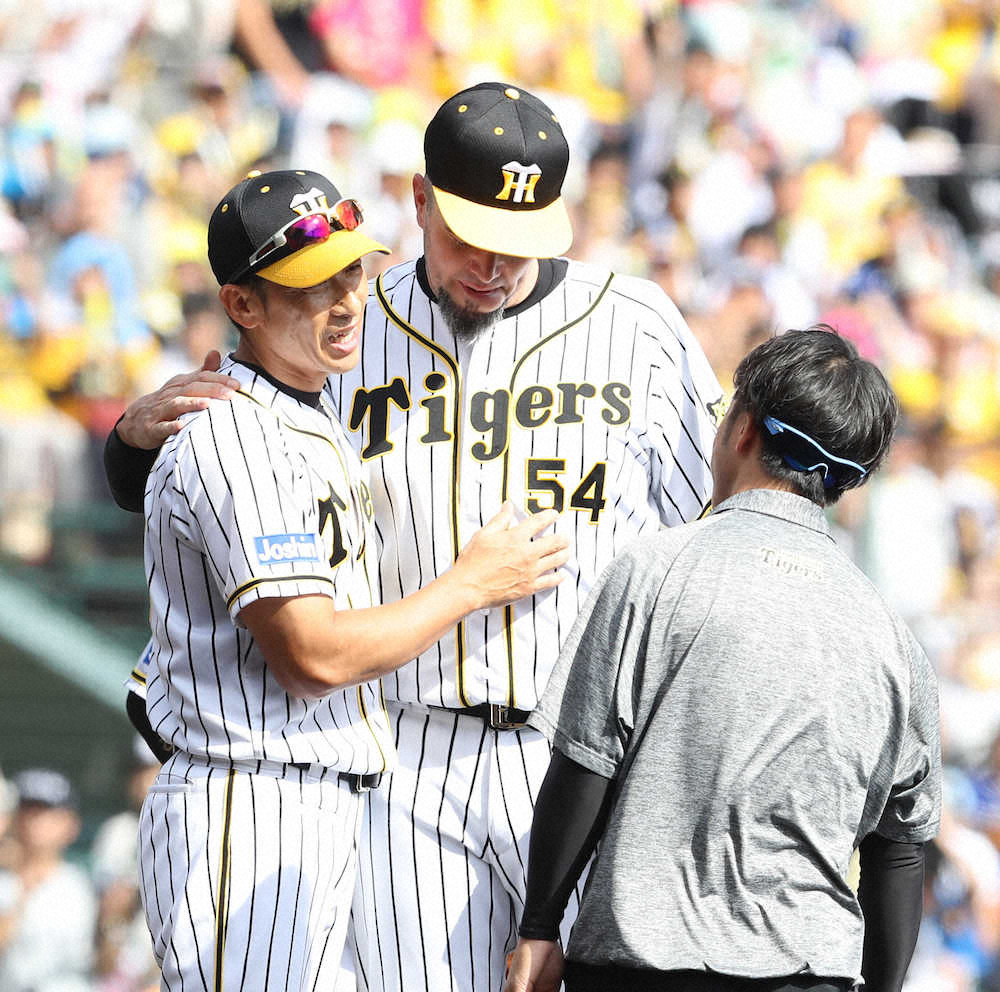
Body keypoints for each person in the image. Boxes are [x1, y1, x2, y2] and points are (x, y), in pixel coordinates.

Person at [103, 83, 724, 992]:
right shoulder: (342, 323)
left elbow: (706, 537)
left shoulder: (640, 329)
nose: (493, 265)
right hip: (407, 758)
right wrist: (130, 440)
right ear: (420, 199)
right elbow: (209, 481)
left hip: (585, 749)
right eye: (471, 234)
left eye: (519, 241)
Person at [133, 166, 568, 992]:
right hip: (251, 805)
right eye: (308, 285)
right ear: (242, 306)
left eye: (352, 271)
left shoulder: (307, 409)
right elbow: (312, 656)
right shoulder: (238, 436)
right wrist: (470, 585)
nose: (344, 300)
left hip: (315, 803)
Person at [505, 327, 942, 992]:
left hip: (646, 966)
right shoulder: (894, 638)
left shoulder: (657, 570)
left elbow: (584, 769)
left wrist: (540, 926)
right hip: (810, 971)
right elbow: (900, 852)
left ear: (743, 429)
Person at [0, 768, 97, 992]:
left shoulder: (79, 884)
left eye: (45, 811)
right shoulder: (5, 881)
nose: (34, 821)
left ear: (70, 824)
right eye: (27, 810)